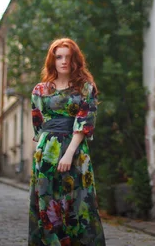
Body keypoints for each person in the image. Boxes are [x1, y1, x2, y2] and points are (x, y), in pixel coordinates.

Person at [28, 38, 106, 246]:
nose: (63, 61)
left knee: (78, 203)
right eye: (58, 57)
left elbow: (84, 123)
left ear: (75, 61)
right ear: (52, 60)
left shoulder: (85, 89)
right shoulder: (40, 90)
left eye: (68, 57)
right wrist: (40, 157)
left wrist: (69, 153)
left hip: (75, 150)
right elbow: (38, 125)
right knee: (47, 205)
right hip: (46, 153)